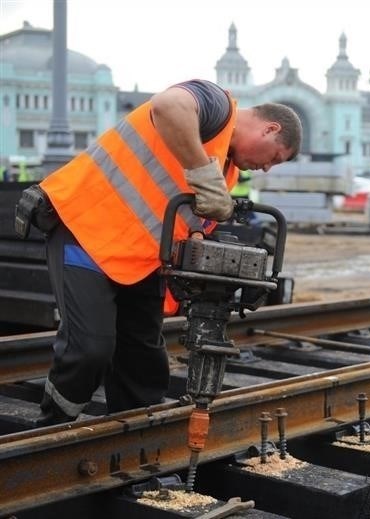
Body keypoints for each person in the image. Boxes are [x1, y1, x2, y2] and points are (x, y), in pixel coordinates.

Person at [24, 79, 302, 425]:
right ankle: (50, 431)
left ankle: (136, 445)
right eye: (274, 158)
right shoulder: (216, 105)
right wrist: (202, 174)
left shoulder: (224, 170)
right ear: (269, 128)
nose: (266, 168)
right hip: (85, 231)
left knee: (144, 360)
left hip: (137, 260)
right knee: (90, 350)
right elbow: (168, 105)